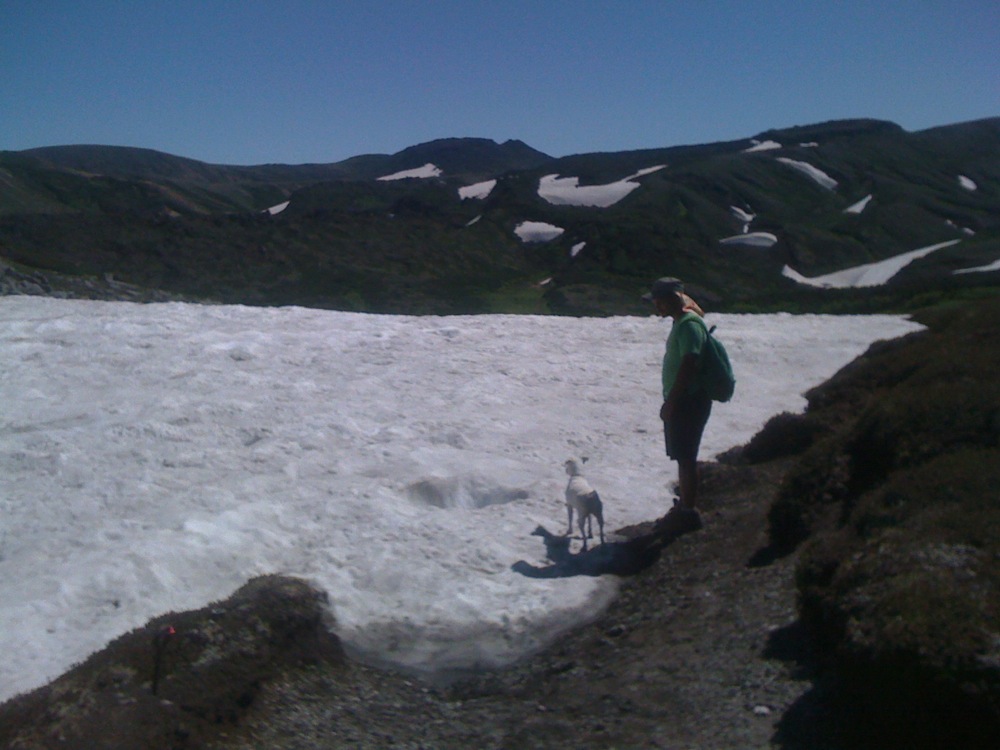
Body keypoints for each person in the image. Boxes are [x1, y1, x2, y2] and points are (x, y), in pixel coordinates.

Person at [643, 277, 711, 532]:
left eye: (659, 301)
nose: (656, 306)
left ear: (674, 298)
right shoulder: (683, 323)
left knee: (686, 457)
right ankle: (685, 506)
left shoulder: (688, 325)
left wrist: (672, 401)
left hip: (688, 401)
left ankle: (688, 512)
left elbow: (690, 362)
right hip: (686, 400)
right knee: (683, 456)